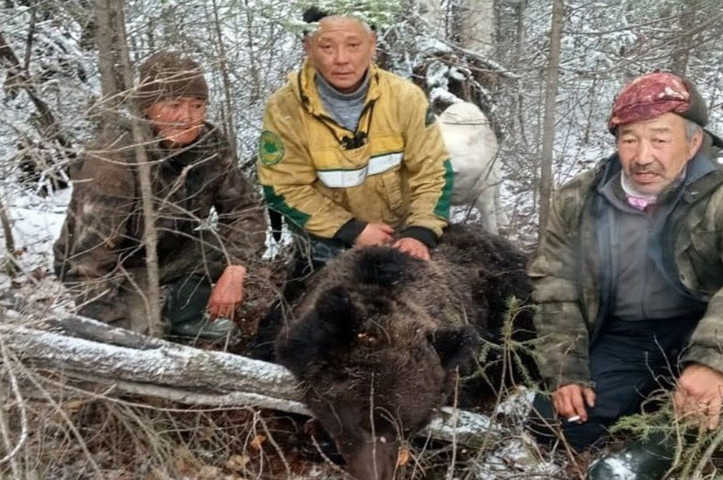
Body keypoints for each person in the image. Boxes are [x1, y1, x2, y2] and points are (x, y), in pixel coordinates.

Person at [527, 71, 723, 478]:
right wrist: (566, 369)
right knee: (554, 424)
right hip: (630, 334)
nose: (642, 156)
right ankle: (649, 398)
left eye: (660, 139)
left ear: (693, 143)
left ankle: (647, 455)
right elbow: (556, 285)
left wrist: (715, 360)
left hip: (712, 325)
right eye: (629, 139)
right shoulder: (580, 200)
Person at [252, 7, 453, 356]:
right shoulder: (284, 108)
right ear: (307, 46)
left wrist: (420, 232)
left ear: (372, 44)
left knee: (429, 324)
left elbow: (433, 172)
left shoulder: (404, 98)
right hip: (327, 239)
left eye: (353, 44)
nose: (341, 59)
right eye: (327, 46)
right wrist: (351, 228)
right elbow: (282, 186)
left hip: (400, 235)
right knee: (282, 340)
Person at [54, 51, 266, 342]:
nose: (187, 117)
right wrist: (113, 329)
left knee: (217, 245)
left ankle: (185, 317)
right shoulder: (115, 160)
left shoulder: (210, 144)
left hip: (169, 248)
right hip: (114, 266)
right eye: (173, 105)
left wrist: (236, 270)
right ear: (148, 108)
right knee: (138, 342)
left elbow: (244, 209)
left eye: (197, 105)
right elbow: (87, 265)